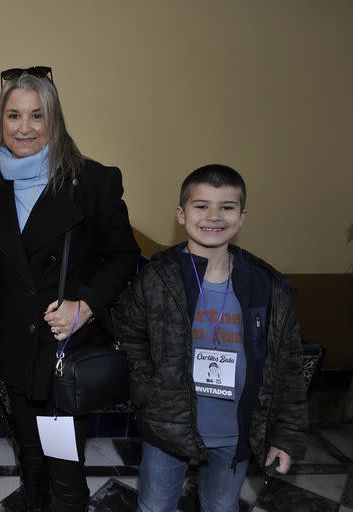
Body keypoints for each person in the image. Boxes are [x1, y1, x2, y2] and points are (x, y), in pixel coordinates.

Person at [0, 67, 140, 511]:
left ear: (54, 120)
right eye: (14, 116)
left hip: (63, 353)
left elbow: (124, 258)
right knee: (31, 460)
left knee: (65, 469)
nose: (25, 128)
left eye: (37, 116)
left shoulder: (92, 182)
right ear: (2, 122)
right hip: (16, 353)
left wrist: (85, 305)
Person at [113, 164, 308, 512]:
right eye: (201, 205)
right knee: (156, 506)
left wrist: (286, 436)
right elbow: (130, 337)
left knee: (221, 504)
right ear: (181, 213)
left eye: (227, 207)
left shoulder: (266, 286)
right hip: (168, 429)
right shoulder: (157, 278)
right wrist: (151, 392)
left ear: (242, 216)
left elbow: (288, 368)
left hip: (235, 432)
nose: (213, 216)